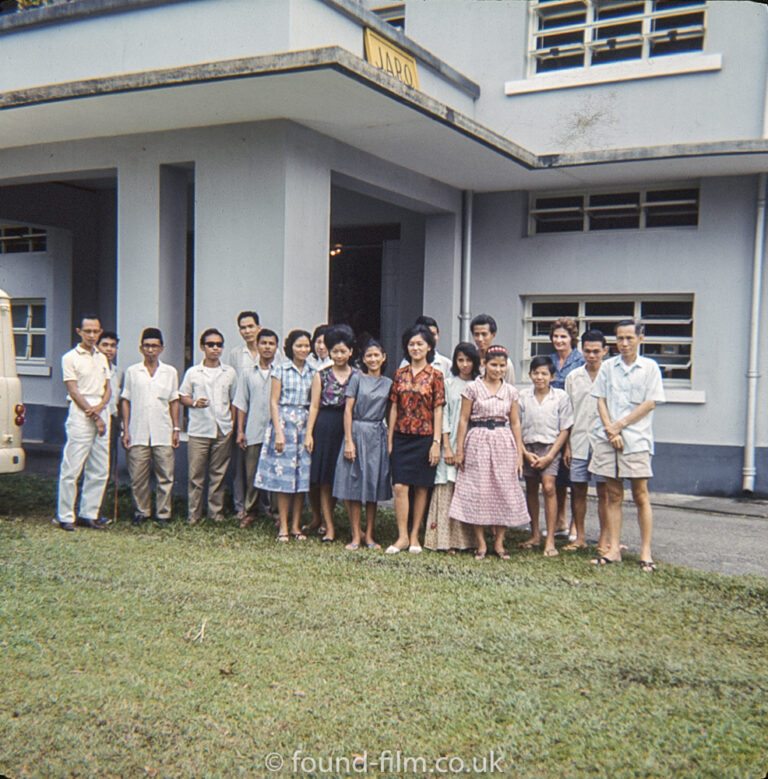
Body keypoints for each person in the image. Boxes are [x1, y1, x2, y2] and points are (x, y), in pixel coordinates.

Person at [589, 320, 665, 571]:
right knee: (613, 495)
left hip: (637, 439)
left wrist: (619, 426)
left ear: (640, 339)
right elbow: (600, 400)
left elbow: (649, 403)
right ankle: (614, 549)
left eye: (629, 338)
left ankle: (646, 551)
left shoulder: (650, 368)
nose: (624, 344)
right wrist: (611, 431)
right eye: (620, 338)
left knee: (641, 495)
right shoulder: (608, 367)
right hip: (608, 437)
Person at [450, 345, 530, 559]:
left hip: (503, 442)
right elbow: (463, 419)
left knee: (503, 489)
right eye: (494, 365)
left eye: (502, 366)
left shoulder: (511, 391)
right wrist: (460, 450)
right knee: (479, 490)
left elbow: (515, 423)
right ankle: (481, 543)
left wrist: (519, 454)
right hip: (478, 439)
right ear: (484, 364)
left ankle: (500, 543)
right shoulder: (473, 388)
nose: (498, 369)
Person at [386, 324, 445, 554]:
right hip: (402, 436)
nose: (416, 347)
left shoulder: (436, 376)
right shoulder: (399, 374)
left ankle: (414, 536)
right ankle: (401, 536)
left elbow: (438, 409)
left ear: (429, 346)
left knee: (421, 488)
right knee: (400, 486)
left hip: (425, 438)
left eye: (420, 343)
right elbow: (393, 408)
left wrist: (436, 443)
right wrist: (390, 439)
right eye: (412, 344)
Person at [332, 339, 392, 551]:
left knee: (372, 487)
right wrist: (349, 440)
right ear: (363, 359)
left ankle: (370, 535)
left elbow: (391, 414)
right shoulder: (356, 378)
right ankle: (356, 534)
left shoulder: (388, 383)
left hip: (377, 435)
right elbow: (348, 410)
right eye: (369, 356)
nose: (373, 359)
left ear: (383, 357)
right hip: (357, 431)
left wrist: (390, 441)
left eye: (377, 355)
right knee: (355, 485)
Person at [255, 329, 314, 541]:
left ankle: (297, 526)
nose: (303, 350)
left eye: (307, 346)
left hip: (304, 424)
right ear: (291, 348)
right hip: (284, 423)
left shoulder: (313, 371)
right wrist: (279, 433)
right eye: (299, 346)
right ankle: (283, 526)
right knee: (284, 478)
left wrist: (309, 433)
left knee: (301, 479)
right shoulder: (280, 370)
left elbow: (314, 403)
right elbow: (273, 401)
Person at [54, 314, 112, 531]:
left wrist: (102, 407)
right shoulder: (70, 357)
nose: (92, 335)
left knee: (99, 466)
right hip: (81, 412)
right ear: (79, 332)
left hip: (100, 409)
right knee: (72, 466)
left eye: (95, 331)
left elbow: (108, 388)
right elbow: (74, 390)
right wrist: (94, 415)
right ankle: (65, 516)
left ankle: (89, 513)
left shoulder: (102, 357)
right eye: (87, 331)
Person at [120, 327, 180, 525]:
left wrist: (175, 429)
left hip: (163, 430)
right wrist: (125, 429)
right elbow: (125, 400)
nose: (150, 350)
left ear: (162, 349)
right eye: (147, 346)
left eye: (154, 346)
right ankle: (142, 512)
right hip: (137, 431)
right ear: (141, 348)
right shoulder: (132, 372)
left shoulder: (170, 372)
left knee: (165, 476)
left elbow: (174, 401)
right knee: (138, 476)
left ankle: (164, 513)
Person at [179, 328, 238, 524]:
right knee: (196, 474)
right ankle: (194, 515)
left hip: (223, 429)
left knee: (218, 474)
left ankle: (216, 514)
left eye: (219, 345)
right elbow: (182, 396)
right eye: (211, 344)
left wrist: (234, 427)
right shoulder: (193, 372)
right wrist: (195, 402)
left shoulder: (229, 372)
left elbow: (235, 401)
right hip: (199, 430)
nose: (215, 348)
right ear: (202, 347)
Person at [423, 342, 478, 553]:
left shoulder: (479, 384)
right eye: (460, 360)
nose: (464, 365)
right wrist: (446, 446)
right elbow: (443, 415)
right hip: (450, 442)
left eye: (468, 360)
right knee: (446, 489)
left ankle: (468, 541)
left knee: (466, 491)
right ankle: (444, 540)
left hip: (473, 443)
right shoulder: (448, 383)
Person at [304, 324, 356, 543]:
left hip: (348, 428)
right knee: (325, 479)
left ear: (351, 352)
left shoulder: (357, 376)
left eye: (343, 351)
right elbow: (314, 406)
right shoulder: (321, 375)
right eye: (335, 351)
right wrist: (309, 434)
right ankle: (329, 526)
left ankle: (354, 527)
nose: (339, 355)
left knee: (346, 477)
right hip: (325, 425)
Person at [518, 355, 574, 556]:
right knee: (531, 488)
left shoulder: (560, 397)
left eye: (544, 374)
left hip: (550, 447)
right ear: (530, 374)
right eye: (536, 373)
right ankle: (534, 534)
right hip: (528, 447)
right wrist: (524, 452)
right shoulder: (523, 397)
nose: (539, 377)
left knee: (549, 487)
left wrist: (551, 456)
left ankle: (550, 538)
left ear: (552, 376)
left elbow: (565, 429)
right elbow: (516, 425)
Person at [563, 330, 608, 550]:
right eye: (588, 351)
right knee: (578, 490)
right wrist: (567, 447)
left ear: (605, 351)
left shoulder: (610, 376)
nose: (591, 355)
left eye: (596, 351)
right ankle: (579, 537)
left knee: (604, 492)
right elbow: (568, 413)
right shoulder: (573, 378)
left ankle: (604, 539)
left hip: (603, 442)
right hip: (579, 440)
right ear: (582, 350)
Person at [234, 328, 278, 528]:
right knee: (252, 473)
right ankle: (252, 511)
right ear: (257, 346)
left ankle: (277, 512)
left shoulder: (282, 371)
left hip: (277, 431)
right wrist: (240, 431)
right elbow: (241, 402)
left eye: (271, 343)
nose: (267, 347)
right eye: (264, 343)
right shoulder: (247, 373)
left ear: (276, 347)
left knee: (277, 472)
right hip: (253, 430)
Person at [548, 317, 586, 538]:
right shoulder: (550, 360)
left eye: (563, 336)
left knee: (574, 477)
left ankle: (574, 524)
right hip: (553, 425)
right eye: (555, 336)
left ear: (572, 338)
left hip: (574, 423)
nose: (559, 340)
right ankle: (560, 521)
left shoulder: (580, 360)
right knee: (557, 476)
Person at [227, 310, 261, 520]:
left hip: (264, 413)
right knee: (241, 465)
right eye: (243, 327)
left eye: (250, 326)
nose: (247, 331)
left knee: (261, 462)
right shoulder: (235, 354)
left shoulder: (272, 351)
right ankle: (241, 506)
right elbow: (234, 390)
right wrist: (236, 422)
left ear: (258, 327)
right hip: (242, 413)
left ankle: (264, 507)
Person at [97, 330, 122, 486]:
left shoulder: (118, 372)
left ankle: (105, 494)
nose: (109, 349)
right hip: (94, 418)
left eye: (113, 346)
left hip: (111, 419)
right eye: (105, 345)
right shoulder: (91, 368)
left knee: (108, 459)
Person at [470, 313, 516, 385]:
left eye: (484, 334)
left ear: (493, 335)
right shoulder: (469, 360)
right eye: (476, 334)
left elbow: (510, 389)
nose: (480, 339)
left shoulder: (504, 363)